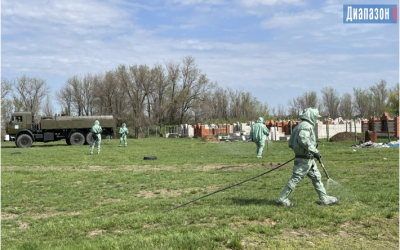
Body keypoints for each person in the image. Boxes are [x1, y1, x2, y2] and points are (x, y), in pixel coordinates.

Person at [276, 108, 338, 206]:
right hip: (304, 159)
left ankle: (324, 198)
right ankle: (282, 198)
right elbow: (303, 139)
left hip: (307, 158)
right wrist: (314, 150)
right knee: (296, 177)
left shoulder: (299, 126)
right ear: (311, 116)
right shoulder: (306, 126)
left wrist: (303, 150)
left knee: (316, 177)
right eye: (316, 117)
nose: (316, 119)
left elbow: (291, 143)